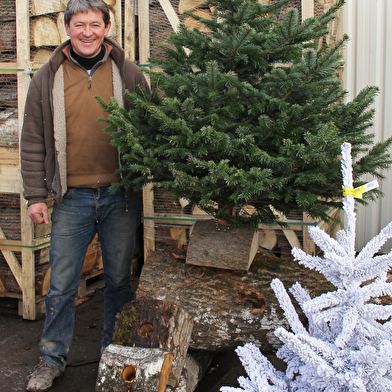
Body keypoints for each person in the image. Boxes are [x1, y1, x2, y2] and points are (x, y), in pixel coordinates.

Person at [20, 0, 149, 390]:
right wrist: (35, 196)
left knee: (118, 281)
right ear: (67, 29)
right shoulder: (47, 78)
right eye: (79, 25)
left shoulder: (128, 73)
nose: (87, 32)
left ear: (107, 27)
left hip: (119, 196)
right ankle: (51, 359)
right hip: (70, 197)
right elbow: (32, 140)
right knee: (60, 283)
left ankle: (113, 355)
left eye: (95, 24)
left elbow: (151, 125)